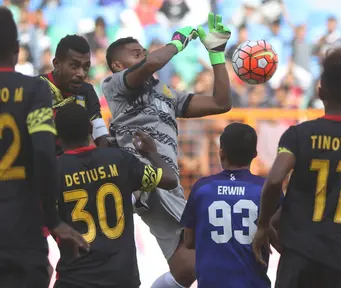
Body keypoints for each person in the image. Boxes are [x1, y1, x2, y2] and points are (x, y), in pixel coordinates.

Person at [102, 12, 232, 287]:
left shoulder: (168, 93)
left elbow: (222, 103)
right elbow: (155, 61)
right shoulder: (115, 85)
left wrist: (217, 55)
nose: (144, 55)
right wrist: (177, 41)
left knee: (188, 268)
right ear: (117, 64)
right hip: (133, 170)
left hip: (165, 178)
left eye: (143, 52)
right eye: (135, 53)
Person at [253, 47, 341, 288]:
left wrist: (263, 225)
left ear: (320, 92)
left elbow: (273, 181)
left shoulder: (298, 135)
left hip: (301, 258)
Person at [0, 7, 89, 288]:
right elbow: (43, 152)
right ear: (16, 50)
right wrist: (54, 220)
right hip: (20, 228)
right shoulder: (34, 90)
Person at [53, 103, 178, 288]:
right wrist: (152, 154)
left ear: (56, 134)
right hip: (122, 278)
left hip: (75, 280)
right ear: (90, 129)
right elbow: (169, 180)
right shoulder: (119, 160)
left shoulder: (53, 171)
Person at [180, 123, 281, 288]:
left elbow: (189, 241)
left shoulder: (202, 187)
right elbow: (282, 242)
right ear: (254, 154)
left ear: (221, 152)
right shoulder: (266, 190)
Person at [39, 34, 109, 155]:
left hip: (77, 167)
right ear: (56, 64)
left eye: (86, 67)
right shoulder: (36, 89)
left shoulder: (87, 91)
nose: (81, 74)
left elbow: (101, 136)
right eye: (74, 66)